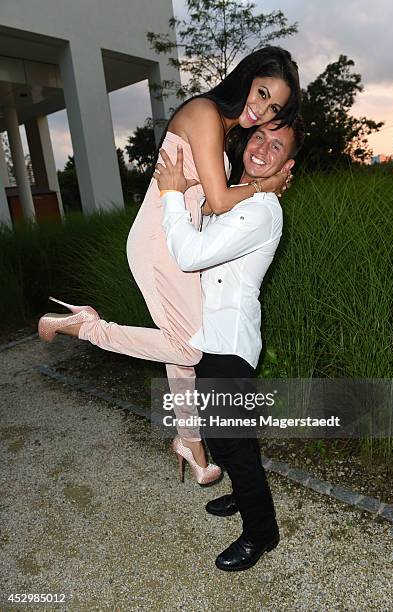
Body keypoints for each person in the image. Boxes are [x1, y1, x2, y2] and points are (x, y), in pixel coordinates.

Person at [38, 46, 301, 484]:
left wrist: (256, 189)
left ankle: (191, 442)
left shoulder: (225, 129)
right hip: (159, 243)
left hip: (182, 240)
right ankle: (85, 326)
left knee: (183, 345)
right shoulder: (203, 113)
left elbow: (214, 208)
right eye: (261, 93)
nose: (261, 109)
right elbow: (218, 200)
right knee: (190, 348)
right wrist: (267, 185)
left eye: (273, 106)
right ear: (246, 78)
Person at [154, 115, 305, 571]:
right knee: (227, 434)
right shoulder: (244, 197)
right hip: (212, 336)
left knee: (232, 441)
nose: (261, 147)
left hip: (229, 342)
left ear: (287, 164)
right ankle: (242, 495)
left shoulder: (261, 210)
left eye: (276, 146)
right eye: (259, 136)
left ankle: (263, 532)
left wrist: (172, 195)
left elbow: (191, 254)